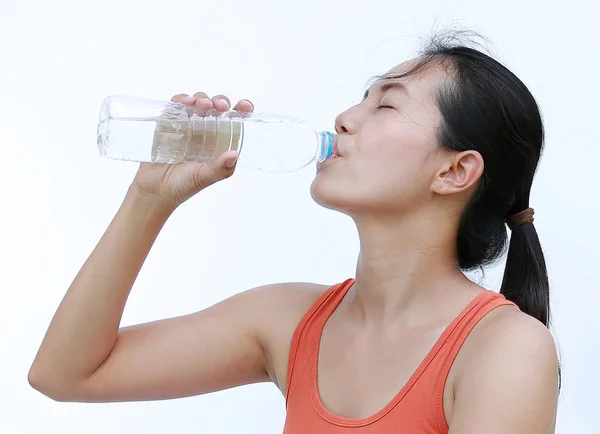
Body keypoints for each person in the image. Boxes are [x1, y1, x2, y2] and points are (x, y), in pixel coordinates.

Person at [29, 35, 560, 433]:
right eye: (363, 96)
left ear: (454, 171)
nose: (346, 118)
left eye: (387, 104)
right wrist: (149, 199)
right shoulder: (286, 323)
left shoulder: (504, 350)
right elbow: (66, 374)